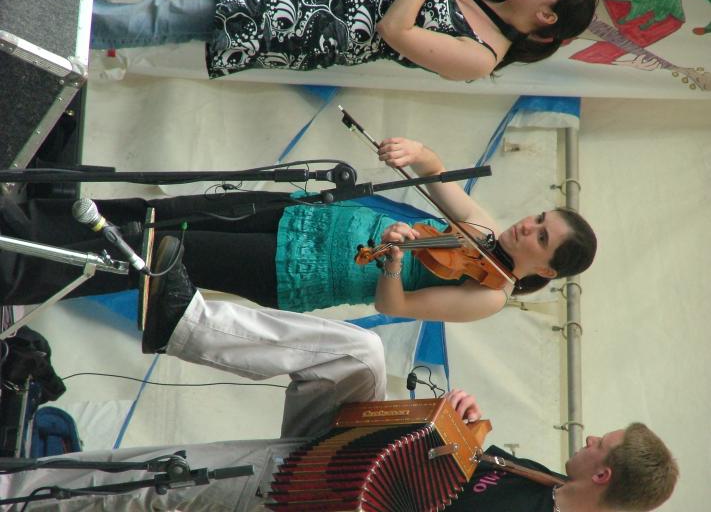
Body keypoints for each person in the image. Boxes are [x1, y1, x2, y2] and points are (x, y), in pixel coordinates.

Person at [0, 238, 678, 510]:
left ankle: (15, 493)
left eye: (602, 444)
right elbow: (444, 469)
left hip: (311, 501)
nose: (591, 438)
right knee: (361, 355)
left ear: (604, 475)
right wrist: (458, 427)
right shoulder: (540, 479)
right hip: (339, 460)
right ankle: (184, 322)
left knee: (145, 487)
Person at [0, 137, 596, 323]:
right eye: (539, 219)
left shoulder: (490, 296)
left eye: (541, 239)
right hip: (302, 215)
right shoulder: (482, 230)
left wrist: (394, 260)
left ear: (546, 269)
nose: (528, 228)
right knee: (162, 211)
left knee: (153, 252)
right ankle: (28, 222)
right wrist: (417, 153)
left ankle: (18, 269)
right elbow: (437, 176)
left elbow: (394, 305)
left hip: (298, 271)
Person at [91, 0, 599, 81]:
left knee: (165, 17)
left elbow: (396, 30)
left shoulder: (481, 55)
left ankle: (64, 24)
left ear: (546, 16)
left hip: (309, 22)